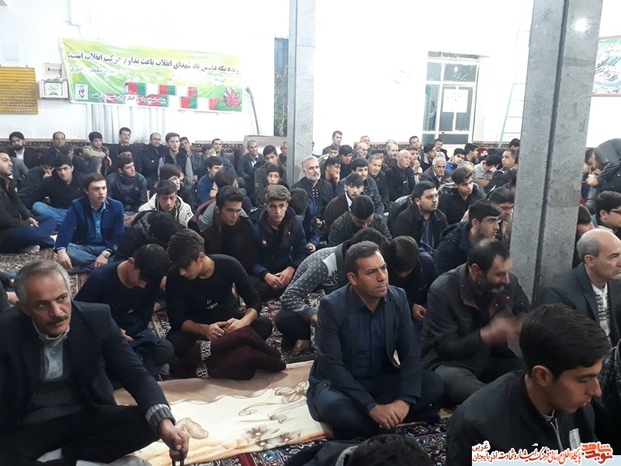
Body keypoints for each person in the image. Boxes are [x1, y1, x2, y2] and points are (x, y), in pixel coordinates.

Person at [0, 260, 188, 465]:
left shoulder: (96, 318)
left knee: (149, 423)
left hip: (83, 412)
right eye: (42, 305)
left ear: (70, 293)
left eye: (62, 298)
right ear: (23, 308)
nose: (57, 312)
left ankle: (65, 457)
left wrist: (165, 425)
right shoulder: (6, 331)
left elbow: (135, 374)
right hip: (30, 424)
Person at [306, 241, 444, 437]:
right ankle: (384, 420)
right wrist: (371, 407)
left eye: (383, 268)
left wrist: (404, 401)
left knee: (434, 384)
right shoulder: (332, 306)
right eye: (371, 272)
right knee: (336, 409)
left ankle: (377, 421)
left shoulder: (398, 298)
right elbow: (333, 365)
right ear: (353, 278)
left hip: (380, 376)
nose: (382, 277)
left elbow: (410, 354)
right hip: (341, 383)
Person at [446, 304, 609, 465]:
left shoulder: (578, 407)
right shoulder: (479, 428)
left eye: (597, 376)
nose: (597, 391)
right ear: (542, 376)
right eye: (583, 380)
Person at [423, 239, 531, 405]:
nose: (507, 280)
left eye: (508, 272)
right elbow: (446, 348)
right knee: (454, 382)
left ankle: (500, 401)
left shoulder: (509, 284)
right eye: (499, 274)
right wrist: (486, 335)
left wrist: (524, 326)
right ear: (476, 270)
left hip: (493, 357)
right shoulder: (443, 289)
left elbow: (527, 316)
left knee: (533, 373)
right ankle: (500, 404)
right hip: (451, 362)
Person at [165, 230, 284, 380]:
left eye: (186, 267)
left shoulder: (229, 264)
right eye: (179, 268)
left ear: (200, 257)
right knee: (175, 343)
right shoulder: (174, 275)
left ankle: (216, 349)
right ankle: (232, 346)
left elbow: (254, 302)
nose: (182, 272)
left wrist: (242, 322)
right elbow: (176, 319)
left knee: (263, 325)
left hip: (228, 321)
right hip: (197, 324)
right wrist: (203, 329)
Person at [278, 228, 390, 354]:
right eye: (372, 270)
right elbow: (288, 296)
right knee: (284, 319)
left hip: (340, 309)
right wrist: (317, 318)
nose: (381, 276)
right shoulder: (323, 265)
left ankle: (312, 342)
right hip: (317, 310)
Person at [75, 244, 174, 377]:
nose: (143, 286)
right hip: (102, 334)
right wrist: (113, 332)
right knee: (90, 360)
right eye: (142, 279)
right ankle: (132, 368)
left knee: (166, 349)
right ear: (131, 262)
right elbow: (79, 314)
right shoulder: (100, 278)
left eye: (147, 283)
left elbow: (143, 317)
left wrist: (128, 337)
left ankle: (124, 369)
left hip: (129, 333)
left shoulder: (150, 282)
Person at [544, 229, 621, 345]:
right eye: (614, 256)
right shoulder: (561, 293)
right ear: (590, 260)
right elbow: (563, 343)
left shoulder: (617, 281)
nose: (620, 263)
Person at [55, 173, 125, 273]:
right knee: (68, 250)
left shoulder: (116, 206)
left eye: (104, 188)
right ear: (86, 191)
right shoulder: (77, 205)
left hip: (107, 246)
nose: (101, 192)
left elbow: (118, 235)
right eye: (96, 189)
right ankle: (104, 266)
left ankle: (82, 268)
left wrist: (105, 254)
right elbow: (66, 228)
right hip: (84, 246)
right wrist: (61, 251)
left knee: (125, 252)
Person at [250, 185, 309, 299]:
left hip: (285, 269)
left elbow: (302, 252)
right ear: (266, 207)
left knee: (310, 275)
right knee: (252, 286)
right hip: (261, 273)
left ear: (287, 206)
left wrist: (291, 269)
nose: (277, 211)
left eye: (281, 206)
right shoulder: (254, 225)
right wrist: (265, 274)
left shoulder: (295, 222)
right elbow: (249, 259)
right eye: (273, 206)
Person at [0, 150, 55, 254]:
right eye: (5, 160)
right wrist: (25, 224)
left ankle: (28, 243)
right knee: (31, 231)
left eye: (10, 161)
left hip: (16, 226)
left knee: (49, 219)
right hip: (4, 234)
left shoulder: (9, 182)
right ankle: (52, 240)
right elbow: (3, 219)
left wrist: (29, 217)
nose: (11, 163)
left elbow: (19, 203)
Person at [385, 236, 437, 341]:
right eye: (398, 271)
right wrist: (411, 306)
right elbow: (386, 298)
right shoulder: (384, 270)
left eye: (406, 271)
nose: (402, 275)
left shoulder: (427, 264)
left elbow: (435, 291)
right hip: (396, 312)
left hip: (424, 309)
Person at [434, 200, 503, 274]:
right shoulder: (448, 248)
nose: (497, 227)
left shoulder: (496, 243)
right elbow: (443, 279)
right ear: (475, 223)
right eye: (491, 221)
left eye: (497, 221)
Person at [200, 186, 256, 273]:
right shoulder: (204, 228)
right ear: (217, 210)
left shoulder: (244, 222)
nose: (234, 216)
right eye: (230, 210)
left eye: (238, 211)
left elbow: (249, 256)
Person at [391, 181, 448, 255]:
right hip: (416, 258)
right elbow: (404, 250)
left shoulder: (440, 217)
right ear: (417, 201)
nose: (435, 200)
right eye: (429, 197)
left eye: (436, 196)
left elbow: (444, 243)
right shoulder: (404, 219)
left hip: (437, 257)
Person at [28, 154, 84, 228]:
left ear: (72, 168)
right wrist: (27, 215)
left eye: (65, 168)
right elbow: (34, 197)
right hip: (58, 212)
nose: (62, 172)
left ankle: (68, 223)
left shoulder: (83, 179)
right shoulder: (50, 182)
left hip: (78, 211)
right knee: (37, 206)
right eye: (59, 169)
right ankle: (71, 224)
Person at [114, 210, 183, 261]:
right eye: (167, 244)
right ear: (153, 237)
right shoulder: (132, 237)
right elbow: (119, 261)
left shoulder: (173, 225)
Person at [105, 154, 148, 220]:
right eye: (128, 168)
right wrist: (121, 215)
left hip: (136, 212)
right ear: (120, 170)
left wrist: (135, 215)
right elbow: (108, 202)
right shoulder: (111, 180)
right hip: (117, 212)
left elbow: (143, 201)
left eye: (133, 165)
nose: (133, 169)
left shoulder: (140, 179)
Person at [292, 156, 335, 220]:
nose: (315, 171)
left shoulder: (328, 186)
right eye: (311, 168)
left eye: (317, 167)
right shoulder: (298, 188)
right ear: (304, 172)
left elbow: (331, 208)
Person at [324, 173, 364, 238]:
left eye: (358, 187)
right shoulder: (334, 206)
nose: (355, 190)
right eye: (351, 186)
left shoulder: (365, 203)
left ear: (362, 188)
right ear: (345, 187)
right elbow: (330, 230)